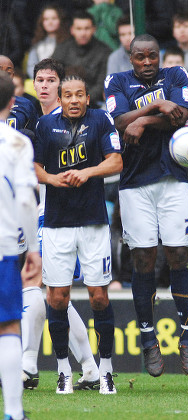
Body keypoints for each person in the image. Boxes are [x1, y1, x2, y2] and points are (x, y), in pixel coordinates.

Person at [104, 34, 188, 377]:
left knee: (178, 255)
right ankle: (148, 339)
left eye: (152, 56)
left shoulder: (176, 75)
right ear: (130, 58)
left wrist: (141, 119)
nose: (147, 62)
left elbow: (182, 115)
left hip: (173, 179)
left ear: (159, 56)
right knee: (143, 259)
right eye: (140, 57)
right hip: (134, 183)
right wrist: (154, 108)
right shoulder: (116, 80)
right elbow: (117, 123)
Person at [34, 74, 123, 394]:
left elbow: (115, 161)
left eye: (79, 95)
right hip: (57, 224)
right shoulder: (46, 126)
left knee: (99, 296)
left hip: (93, 223)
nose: (73, 100)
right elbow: (35, 167)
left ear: (88, 98)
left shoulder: (101, 120)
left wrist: (86, 172)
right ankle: (63, 371)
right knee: (57, 297)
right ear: (59, 99)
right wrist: (53, 180)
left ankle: (107, 369)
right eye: (67, 95)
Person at [0, 70, 41, 420]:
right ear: (12, 103)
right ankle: (14, 412)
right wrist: (33, 249)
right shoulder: (17, 143)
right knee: (8, 327)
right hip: (3, 246)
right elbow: (28, 201)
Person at [52, 10, 112, 108]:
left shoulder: (104, 52)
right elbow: (53, 76)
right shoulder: (62, 49)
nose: (83, 33)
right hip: (63, 102)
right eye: (79, 28)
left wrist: (82, 99)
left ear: (94, 29)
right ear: (72, 30)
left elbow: (102, 84)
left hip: (93, 104)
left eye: (87, 28)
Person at [26, 4, 70, 79]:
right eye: (46, 19)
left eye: (54, 18)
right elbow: (31, 66)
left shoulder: (68, 43)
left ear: (61, 20)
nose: (50, 22)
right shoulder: (37, 43)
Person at [0, 55, 38, 133]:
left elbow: (34, 138)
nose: (3, 76)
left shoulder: (25, 105)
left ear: (13, 76)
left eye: (8, 73)